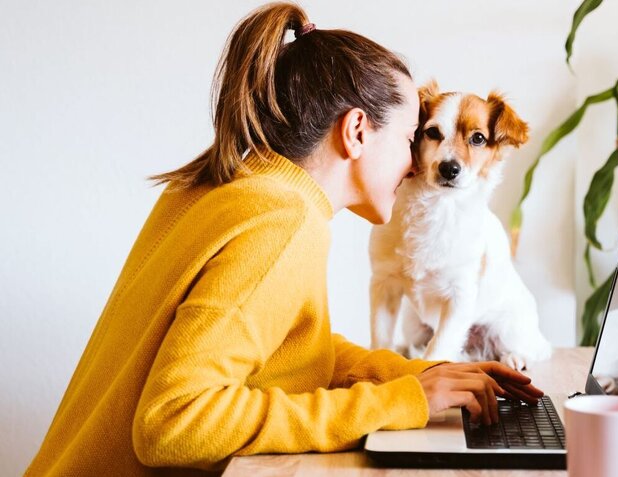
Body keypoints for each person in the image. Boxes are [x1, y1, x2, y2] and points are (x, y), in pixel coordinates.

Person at [25, 2, 544, 475]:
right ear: (357, 131)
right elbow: (172, 423)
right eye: (414, 139)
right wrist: (398, 402)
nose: (418, 164)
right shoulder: (282, 221)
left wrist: (422, 376)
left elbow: (293, 351)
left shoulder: (236, 184)